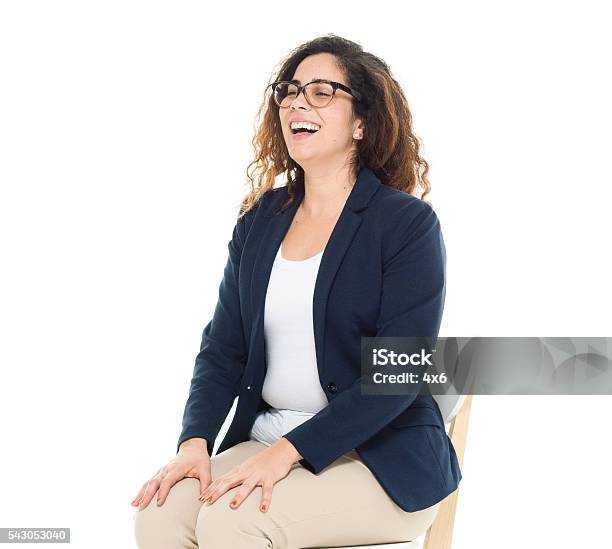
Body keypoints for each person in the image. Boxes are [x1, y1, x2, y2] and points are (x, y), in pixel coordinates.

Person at [132, 34, 462, 548]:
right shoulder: (262, 220)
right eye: (289, 90)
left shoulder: (405, 225)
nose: (297, 102)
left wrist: (288, 451)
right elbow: (224, 349)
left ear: (361, 123)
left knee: (234, 522)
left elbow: (397, 375)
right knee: (160, 514)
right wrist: (194, 443)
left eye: (322, 91)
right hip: (267, 440)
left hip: (380, 460)